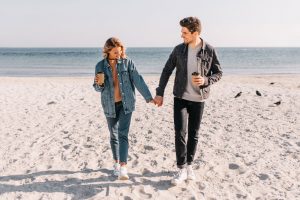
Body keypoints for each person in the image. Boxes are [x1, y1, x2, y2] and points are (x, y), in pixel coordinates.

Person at [154, 17, 222, 185]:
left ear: (195, 33)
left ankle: (190, 165)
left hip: (199, 99)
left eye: (185, 32)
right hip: (180, 97)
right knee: (180, 132)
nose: (181, 35)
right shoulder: (178, 50)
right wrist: (160, 93)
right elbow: (166, 70)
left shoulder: (210, 50)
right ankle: (181, 168)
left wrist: (206, 80)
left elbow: (218, 73)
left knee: (194, 133)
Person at [93, 37, 155, 180]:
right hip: (109, 104)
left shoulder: (128, 63)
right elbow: (97, 88)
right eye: (115, 52)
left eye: (120, 52)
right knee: (113, 134)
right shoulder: (100, 66)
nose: (118, 55)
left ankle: (123, 166)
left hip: (126, 104)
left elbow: (138, 79)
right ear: (107, 51)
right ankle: (116, 163)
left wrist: (148, 97)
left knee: (123, 134)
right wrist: (98, 84)